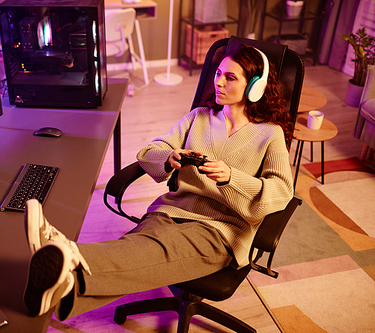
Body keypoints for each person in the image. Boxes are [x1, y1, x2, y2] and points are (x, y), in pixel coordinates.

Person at [23, 44, 294, 322]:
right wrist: (170, 157)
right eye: (219, 73)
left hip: (221, 229)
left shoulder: (269, 135)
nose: (219, 82)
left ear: (255, 88)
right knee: (139, 250)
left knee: (153, 252)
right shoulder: (198, 118)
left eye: (231, 77)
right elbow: (148, 154)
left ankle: (69, 253)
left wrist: (231, 177)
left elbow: (282, 191)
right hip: (172, 210)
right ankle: (64, 289)